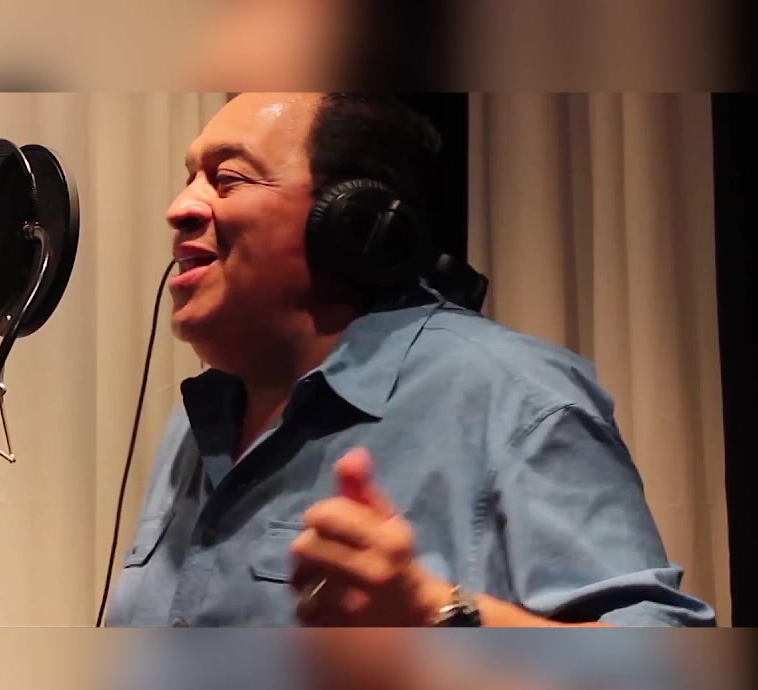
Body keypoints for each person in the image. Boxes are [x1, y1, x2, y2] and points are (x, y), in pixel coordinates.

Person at [103, 92, 715, 629]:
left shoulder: (512, 394)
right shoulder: (197, 422)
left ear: (350, 219)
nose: (180, 206)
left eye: (228, 178)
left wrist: (435, 613)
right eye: (190, 177)